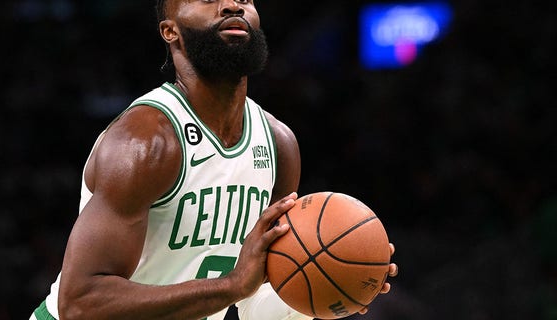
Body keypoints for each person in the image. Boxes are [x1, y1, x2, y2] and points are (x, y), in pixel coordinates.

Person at [30, 0, 398, 319]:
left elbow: (256, 300)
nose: (232, 5)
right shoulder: (146, 141)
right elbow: (80, 304)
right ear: (170, 31)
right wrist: (231, 286)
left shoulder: (278, 144)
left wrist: (332, 284)